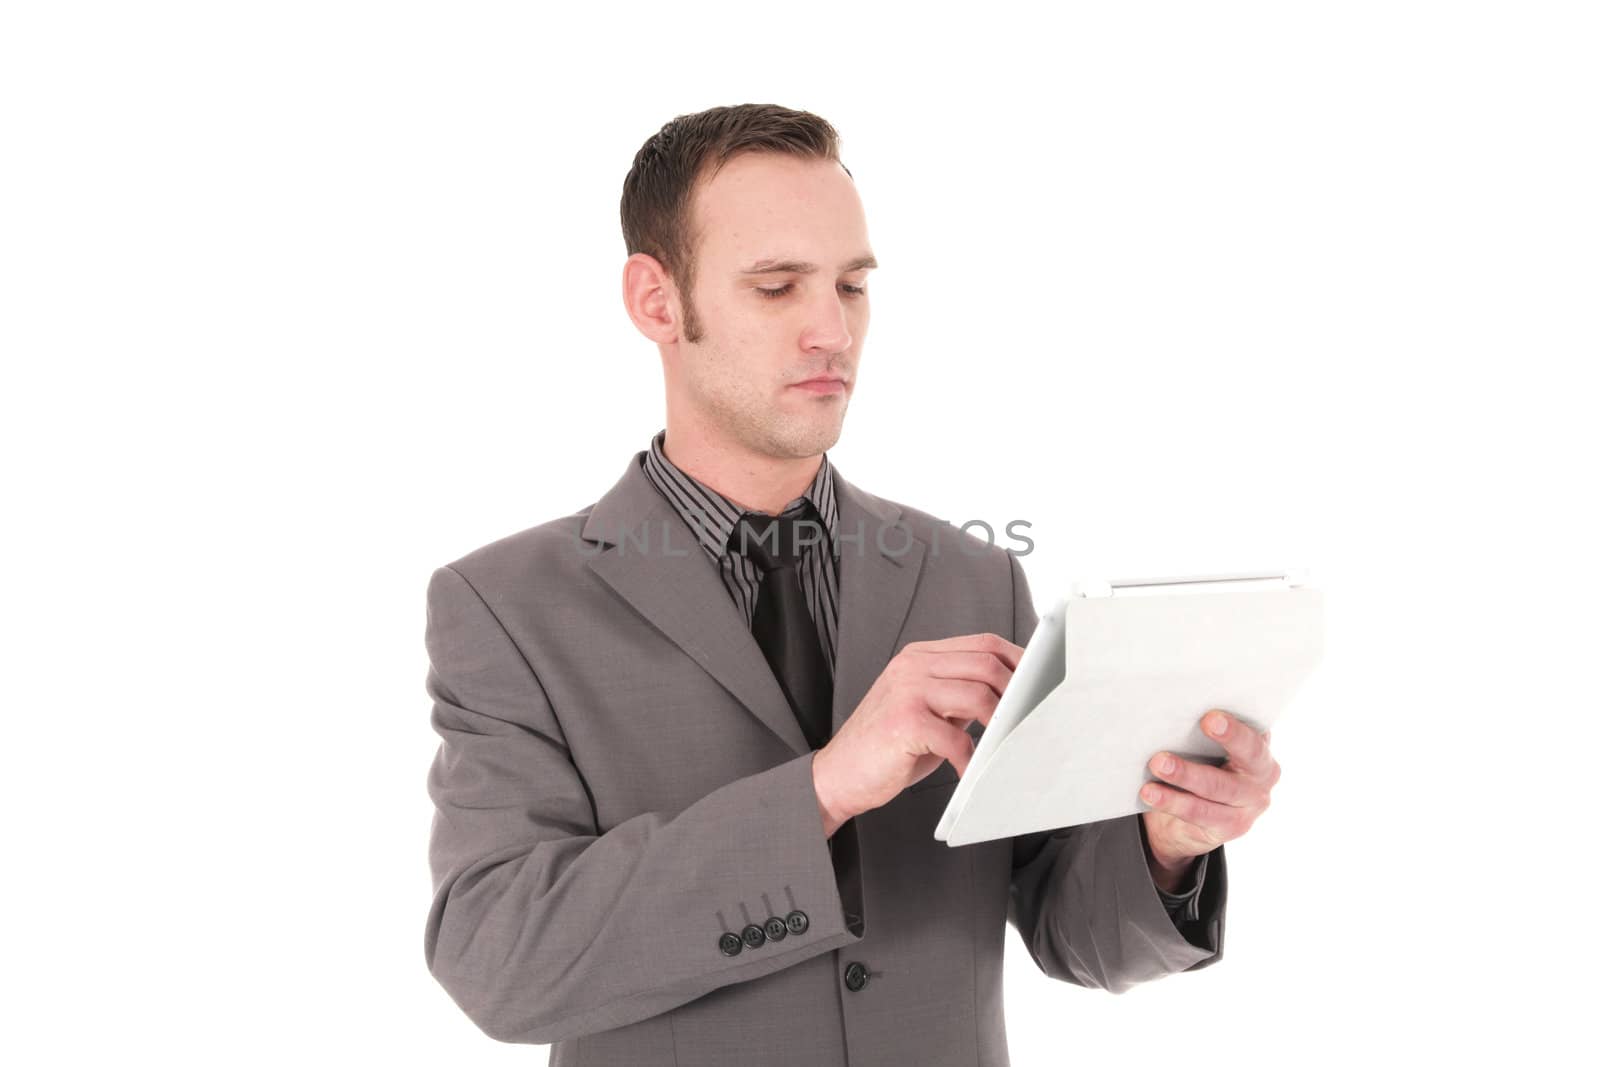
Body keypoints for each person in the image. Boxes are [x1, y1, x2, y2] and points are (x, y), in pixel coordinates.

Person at [421, 103, 1282, 1067]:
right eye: (778, 286)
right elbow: (499, 961)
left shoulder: (974, 576)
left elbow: (1071, 931)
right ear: (657, 302)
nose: (832, 330)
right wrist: (824, 789)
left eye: (853, 285)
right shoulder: (507, 606)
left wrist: (1165, 842)